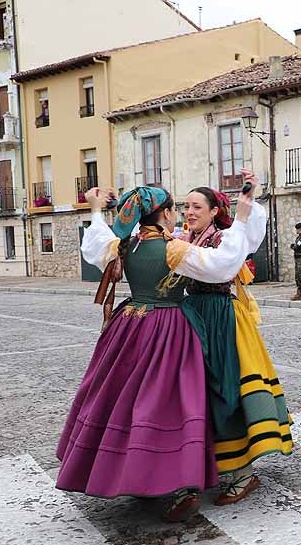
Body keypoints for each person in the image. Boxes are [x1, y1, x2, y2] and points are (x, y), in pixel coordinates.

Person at [56, 186, 254, 521]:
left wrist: (93, 210)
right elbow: (221, 266)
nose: (178, 213)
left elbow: (93, 247)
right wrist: (242, 222)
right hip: (168, 328)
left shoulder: (125, 246)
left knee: (126, 400)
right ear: (164, 214)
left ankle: (136, 474)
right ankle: (181, 484)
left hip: (129, 326)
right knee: (172, 401)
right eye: (175, 208)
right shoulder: (172, 249)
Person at [180, 174, 292, 507]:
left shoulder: (223, 237)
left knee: (225, 386)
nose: (188, 212)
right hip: (194, 315)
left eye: (196, 206)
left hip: (220, 317)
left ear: (214, 211)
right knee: (197, 391)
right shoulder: (187, 236)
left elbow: (250, 235)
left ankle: (242, 470)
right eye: (185, 206)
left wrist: (248, 199)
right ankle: (210, 463)